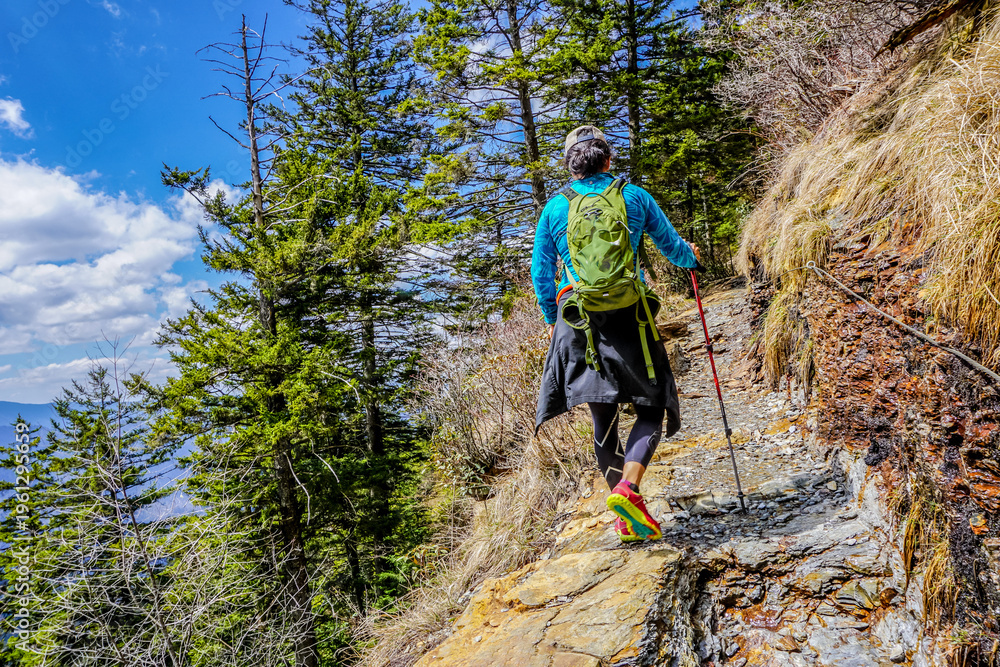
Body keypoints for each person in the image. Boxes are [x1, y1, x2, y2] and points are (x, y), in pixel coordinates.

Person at [531, 125, 702, 543]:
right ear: (608, 160)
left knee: (601, 420)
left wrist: (554, 318)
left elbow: (541, 272)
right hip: (632, 319)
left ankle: (626, 518)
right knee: (652, 407)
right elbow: (670, 246)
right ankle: (629, 490)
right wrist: (691, 259)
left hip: (578, 322)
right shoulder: (634, 196)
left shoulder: (555, 208)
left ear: (571, 167)